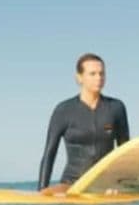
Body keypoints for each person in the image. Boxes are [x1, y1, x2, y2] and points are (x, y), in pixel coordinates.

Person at [38, 53, 130, 193]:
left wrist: (122, 185)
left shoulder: (116, 108)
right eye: (92, 74)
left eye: (102, 73)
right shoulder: (64, 110)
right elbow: (49, 153)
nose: (99, 78)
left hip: (105, 186)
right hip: (72, 184)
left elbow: (124, 152)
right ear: (79, 78)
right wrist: (41, 191)